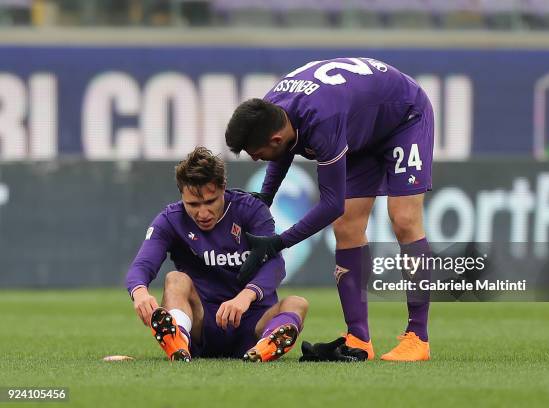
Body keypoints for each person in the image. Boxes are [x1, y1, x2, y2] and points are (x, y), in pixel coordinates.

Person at [225, 57, 433, 362]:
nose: (257, 160)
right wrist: (265, 197)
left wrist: (278, 243)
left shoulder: (321, 119)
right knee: (347, 227)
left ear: (274, 138)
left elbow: (331, 204)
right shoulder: (271, 108)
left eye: (258, 154)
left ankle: (418, 337)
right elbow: (283, 151)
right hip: (360, 128)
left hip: (404, 117)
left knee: (404, 220)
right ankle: (359, 338)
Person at [124, 146, 308, 362]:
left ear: (223, 188)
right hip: (203, 324)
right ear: (181, 194)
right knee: (175, 279)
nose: (202, 213)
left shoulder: (251, 210)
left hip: (254, 320)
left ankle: (264, 348)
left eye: (210, 201)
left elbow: (275, 265)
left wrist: (245, 297)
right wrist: (140, 293)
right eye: (193, 204)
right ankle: (178, 342)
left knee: (297, 303)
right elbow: (142, 265)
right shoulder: (170, 219)